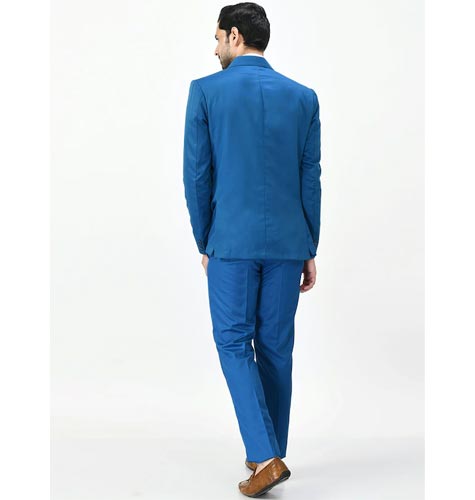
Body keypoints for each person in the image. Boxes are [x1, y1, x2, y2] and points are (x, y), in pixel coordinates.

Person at [183, 2, 322, 496]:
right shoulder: (303, 97)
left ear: (236, 36)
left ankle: (265, 457)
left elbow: (198, 175)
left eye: (218, 38)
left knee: (232, 342)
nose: (215, 48)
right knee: (276, 346)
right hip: (288, 243)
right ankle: (271, 452)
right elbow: (310, 178)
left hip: (232, 241)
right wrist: (309, 245)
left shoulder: (206, 91)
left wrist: (206, 239)